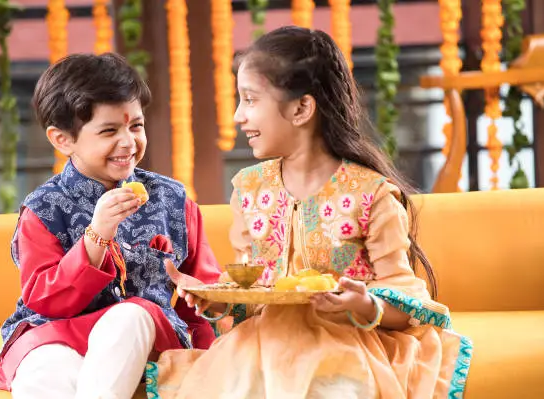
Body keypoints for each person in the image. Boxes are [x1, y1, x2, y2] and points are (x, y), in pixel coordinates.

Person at [153, 26, 472, 398]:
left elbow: (406, 301)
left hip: (347, 344)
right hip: (262, 343)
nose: (239, 115)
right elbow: (252, 288)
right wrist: (216, 296)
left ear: (302, 108)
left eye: (250, 99)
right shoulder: (249, 189)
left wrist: (366, 304)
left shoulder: (372, 194)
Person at [0, 52, 224, 399]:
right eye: (109, 130)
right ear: (62, 139)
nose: (128, 142)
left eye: (135, 125)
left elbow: (207, 293)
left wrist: (211, 357)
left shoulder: (172, 199)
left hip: (145, 336)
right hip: (57, 332)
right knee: (44, 368)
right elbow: (44, 302)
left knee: (128, 316)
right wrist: (97, 235)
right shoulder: (44, 208)